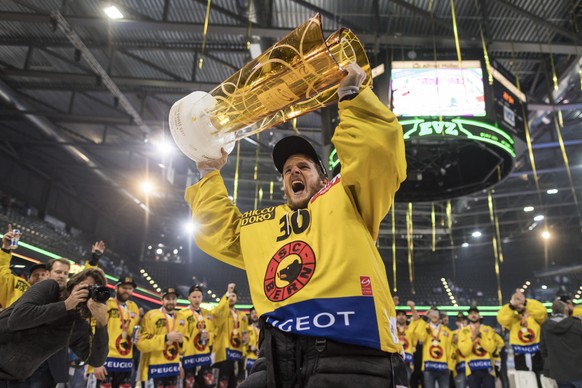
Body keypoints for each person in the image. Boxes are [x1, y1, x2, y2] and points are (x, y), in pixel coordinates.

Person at [186, 62, 407, 387]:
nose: (293, 172)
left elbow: (378, 155)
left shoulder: (351, 198)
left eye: (304, 166)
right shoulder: (264, 223)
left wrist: (353, 98)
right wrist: (207, 172)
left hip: (353, 350)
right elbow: (217, 231)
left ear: (324, 177)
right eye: (288, 170)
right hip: (275, 355)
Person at [0, 267, 109, 384]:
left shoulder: (77, 325)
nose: (87, 294)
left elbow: (95, 360)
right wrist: (66, 305)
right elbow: (17, 319)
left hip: (14, 378)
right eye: (85, 287)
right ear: (73, 284)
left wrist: (102, 324)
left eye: (92, 292)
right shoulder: (50, 288)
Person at [176, 283, 233, 388]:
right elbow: (180, 337)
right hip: (189, 357)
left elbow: (215, 330)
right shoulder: (182, 314)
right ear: (189, 298)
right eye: (194, 297)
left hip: (204, 357)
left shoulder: (208, 313)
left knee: (209, 385)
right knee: (189, 385)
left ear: (202, 297)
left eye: (199, 297)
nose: (197, 299)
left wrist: (209, 336)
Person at [90, 275, 141, 388]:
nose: (127, 291)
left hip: (126, 362)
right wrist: (96, 363)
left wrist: (136, 336)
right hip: (105, 360)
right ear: (116, 288)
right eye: (124, 287)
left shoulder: (134, 307)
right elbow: (93, 332)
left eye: (130, 288)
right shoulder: (106, 304)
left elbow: (134, 331)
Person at [497, 289, 547, 388]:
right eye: (517, 302)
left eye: (521, 302)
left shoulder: (534, 317)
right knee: (524, 382)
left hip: (537, 354)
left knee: (541, 380)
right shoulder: (513, 320)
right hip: (520, 355)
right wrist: (511, 306)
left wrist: (526, 302)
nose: (519, 305)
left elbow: (543, 312)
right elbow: (502, 319)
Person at [136, 288, 182, 387]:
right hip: (153, 370)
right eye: (168, 298)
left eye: (173, 299)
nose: (171, 301)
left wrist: (182, 342)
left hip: (172, 369)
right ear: (162, 300)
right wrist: (165, 338)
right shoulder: (151, 316)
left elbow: (184, 348)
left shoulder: (180, 318)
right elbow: (141, 345)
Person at [0, 224, 48, 309]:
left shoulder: (53, 296)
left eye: (43, 275)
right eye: (35, 275)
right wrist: (5, 247)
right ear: (29, 278)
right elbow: (2, 270)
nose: (40, 277)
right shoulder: (18, 284)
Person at [409, 301, 453, 388]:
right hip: (429, 367)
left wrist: (450, 366)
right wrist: (425, 318)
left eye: (436, 313)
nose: (434, 315)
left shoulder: (446, 331)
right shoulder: (425, 327)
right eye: (431, 313)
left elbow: (450, 349)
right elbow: (419, 335)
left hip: (443, 367)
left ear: (439, 315)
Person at [540, 298, 582, 388]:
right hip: (579, 371)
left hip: (559, 373)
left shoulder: (545, 326)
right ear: (566, 310)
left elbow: (543, 350)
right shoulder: (577, 324)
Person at [457, 307, 496, 388]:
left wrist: (480, 336)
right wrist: (473, 337)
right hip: (472, 370)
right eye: (471, 313)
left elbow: (491, 348)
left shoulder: (488, 329)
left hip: (488, 369)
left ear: (479, 315)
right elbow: (464, 351)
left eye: (475, 313)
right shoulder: (463, 331)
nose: (473, 315)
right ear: (468, 317)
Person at [451, 313, 468, 388]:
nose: (461, 322)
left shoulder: (472, 331)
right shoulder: (452, 334)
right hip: (459, 365)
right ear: (456, 322)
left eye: (463, 320)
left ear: (466, 321)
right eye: (459, 321)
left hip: (472, 364)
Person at [244, 307, 260, 378]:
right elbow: (243, 343)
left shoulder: (264, 329)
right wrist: (250, 348)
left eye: (256, 313)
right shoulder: (246, 328)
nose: (254, 315)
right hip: (250, 359)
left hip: (261, 358)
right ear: (250, 316)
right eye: (252, 313)